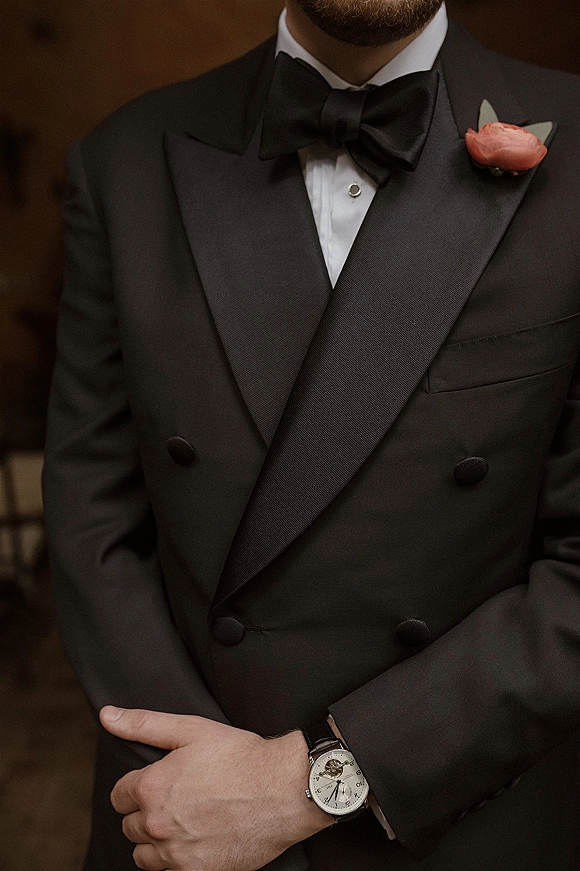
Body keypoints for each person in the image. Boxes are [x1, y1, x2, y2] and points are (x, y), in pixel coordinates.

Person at [42, 0, 580, 869]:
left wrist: (303, 786)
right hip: (184, 825)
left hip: (468, 818)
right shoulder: (121, 161)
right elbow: (91, 516)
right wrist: (199, 790)